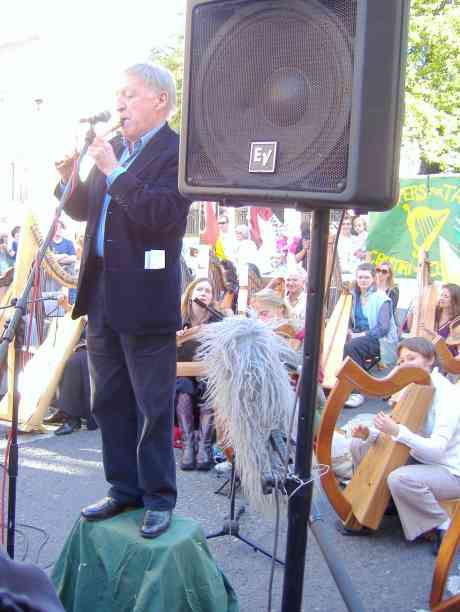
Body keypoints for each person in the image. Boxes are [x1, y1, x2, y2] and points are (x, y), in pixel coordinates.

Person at [55, 62, 191, 539]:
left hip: (146, 297)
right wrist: (72, 175)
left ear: (160, 100)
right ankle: (123, 489)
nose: (119, 104)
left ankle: (158, 497)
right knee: (108, 399)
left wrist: (112, 169)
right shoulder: (115, 149)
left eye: (129, 95)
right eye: (118, 95)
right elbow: (82, 210)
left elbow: (162, 215)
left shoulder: (178, 152)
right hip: (101, 295)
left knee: (152, 404)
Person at [348, 337, 460, 554]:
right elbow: (394, 433)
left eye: (412, 358)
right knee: (358, 445)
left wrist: (397, 431)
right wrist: (369, 434)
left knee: (399, 478)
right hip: (422, 458)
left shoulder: (448, 396)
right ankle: (387, 503)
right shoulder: (414, 388)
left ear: (430, 361)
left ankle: (442, 525)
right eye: (401, 361)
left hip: (450, 469)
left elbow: (436, 450)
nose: (405, 365)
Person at [176, 278, 223, 471]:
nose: (203, 293)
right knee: (183, 388)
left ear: (212, 298)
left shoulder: (218, 319)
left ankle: (204, 446)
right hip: (182, 372)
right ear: (191, 293)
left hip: (208, 372)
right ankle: (188, 444)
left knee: (210, 388)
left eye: (208, 291)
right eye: (200, 289)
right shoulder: (177, 317)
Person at [344, 263, 399, 408]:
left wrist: (361, 334)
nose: (363, 280)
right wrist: (348, 329)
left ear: (374, 278)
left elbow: (383, 328)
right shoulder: (353, 296)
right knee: (336, 343)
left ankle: (357, 391)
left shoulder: (381, 298)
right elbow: (348, 320)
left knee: (352, 347)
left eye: (366, 277)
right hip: (358, 337)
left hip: (380, 341)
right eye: (360, 277)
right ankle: (339, 383)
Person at [43, 325, 97, 435]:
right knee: (55, 360)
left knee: (75, 362)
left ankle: (72, 416)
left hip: (99, 345)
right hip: (84, 343)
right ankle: (63, 410)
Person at [421, 283, 460, 357]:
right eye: (441, 295)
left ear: (455, 300)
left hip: (447, 358)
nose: (441, 298)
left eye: (446, 296)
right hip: (430, 354)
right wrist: (414, 310)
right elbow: (407, 327)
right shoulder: (433, 312)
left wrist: (435, 335)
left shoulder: (457, 321)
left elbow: (452, 343)